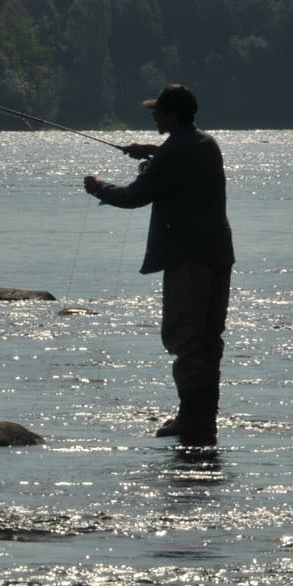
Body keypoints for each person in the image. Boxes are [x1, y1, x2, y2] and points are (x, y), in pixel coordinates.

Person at [82, 84, 234, 445]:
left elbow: (135, 196)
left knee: (186, 338)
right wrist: (154, 152)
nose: (153, 116)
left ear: (173, 114)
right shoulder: (205, 144)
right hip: (217, 254)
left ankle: (192, 420)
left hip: (188, 258)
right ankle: (202, 420)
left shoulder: (174, 152)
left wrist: (98, 187)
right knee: (209, 338)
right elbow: (178, 164)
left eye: (158, 112)